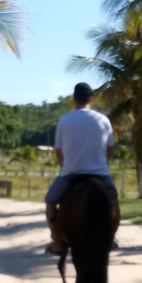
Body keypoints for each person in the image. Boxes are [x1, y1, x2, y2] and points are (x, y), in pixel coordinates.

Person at [44, 82, 119, 254]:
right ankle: (111, 238)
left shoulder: (64, 120)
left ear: (74, 99)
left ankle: (57, 241)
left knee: (50, 202)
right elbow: (110, 150)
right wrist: (101, 164)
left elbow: (59, 152)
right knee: (114, 201)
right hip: (100, 174)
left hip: (71, 174)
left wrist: (66, 166)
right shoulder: (104, 120)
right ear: (91, 99)